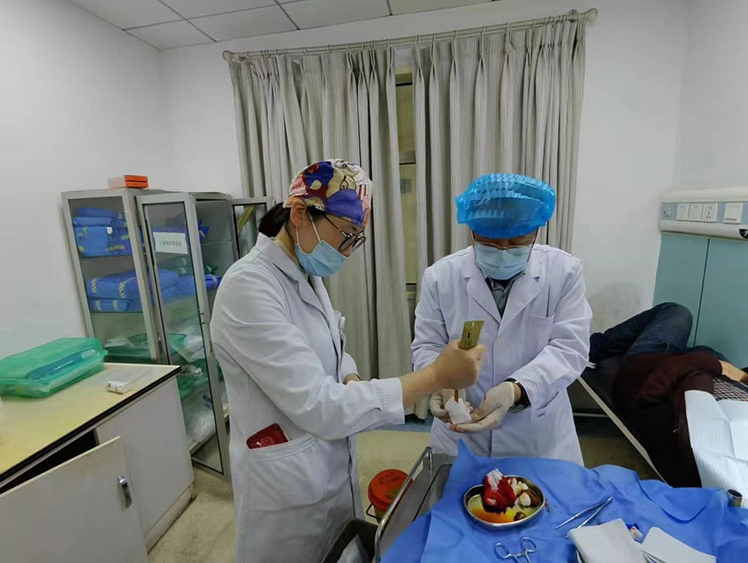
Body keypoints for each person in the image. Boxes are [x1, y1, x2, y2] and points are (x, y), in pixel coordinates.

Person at [210, 159, 485, 563]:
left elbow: (331, 347)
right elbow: (320, 406)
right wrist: (434, 376)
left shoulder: (305, 274)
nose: (347, 252)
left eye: (357, 239)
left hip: (330, 466)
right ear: (300, 213)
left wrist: (351, 376)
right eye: (345, 235)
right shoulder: (248, 288)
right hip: (284, 492)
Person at [412, 173, 592, 464]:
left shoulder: (564, 272)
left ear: (535, 232)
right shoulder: (440, 277)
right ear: (472, 232)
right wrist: (440, 383)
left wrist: (516, 389)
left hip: (536, 432)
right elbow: (427, 345)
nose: (503, 251)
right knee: (456, 490)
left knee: (540, 492)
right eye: (491, 242)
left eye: (516, 241)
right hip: (461, 435)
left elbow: (570, 349)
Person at [589, 301, 748, 485]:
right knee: (706, 350)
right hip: (694, 369)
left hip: (650, 366)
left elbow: (651, 390)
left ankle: (589, 348)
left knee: (678, 312)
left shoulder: (695, 443)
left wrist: (720, 367)